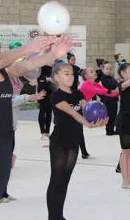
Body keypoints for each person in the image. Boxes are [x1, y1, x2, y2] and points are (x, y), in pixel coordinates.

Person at [0, 17, 71, 220]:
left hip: (3, 146)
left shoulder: (2, 70)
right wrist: (26, 47)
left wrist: (52, 54)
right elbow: (0, 60)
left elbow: (25, 66)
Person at [46, 60, 107, 220]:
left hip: (74, 142)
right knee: (56, 180)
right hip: (59, 143)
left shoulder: (78, 93)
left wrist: (97, 118)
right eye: (66, 74)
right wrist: (88, 123)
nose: (70, 77)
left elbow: (86, 108)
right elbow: (74, 113)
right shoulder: (56, 96)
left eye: (72, 74)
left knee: (65, 181)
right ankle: (53, 217)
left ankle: (59, 215)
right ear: (56, 77)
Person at [99, 61, 120, 135]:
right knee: (109, 115)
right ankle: (108, 130)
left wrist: (117, 88)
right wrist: (115, 89)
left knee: (113, 115)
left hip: (114, 99)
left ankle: (112, 129)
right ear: (103, 70)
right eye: (107, 69)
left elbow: (117, 85)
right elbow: (109, 87)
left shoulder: (112, 78)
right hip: (107, 100)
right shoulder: (103, 79)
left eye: (110, 69)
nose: (108, 70)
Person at [38, 65, 54, 140]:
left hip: (50, 95)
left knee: (49, 113)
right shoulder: (41, 75)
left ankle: (47, 132)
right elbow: (42, 83)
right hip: (43, 95)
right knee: (42, 111)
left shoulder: (51, 73)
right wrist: (47, 80)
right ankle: (43, 132)